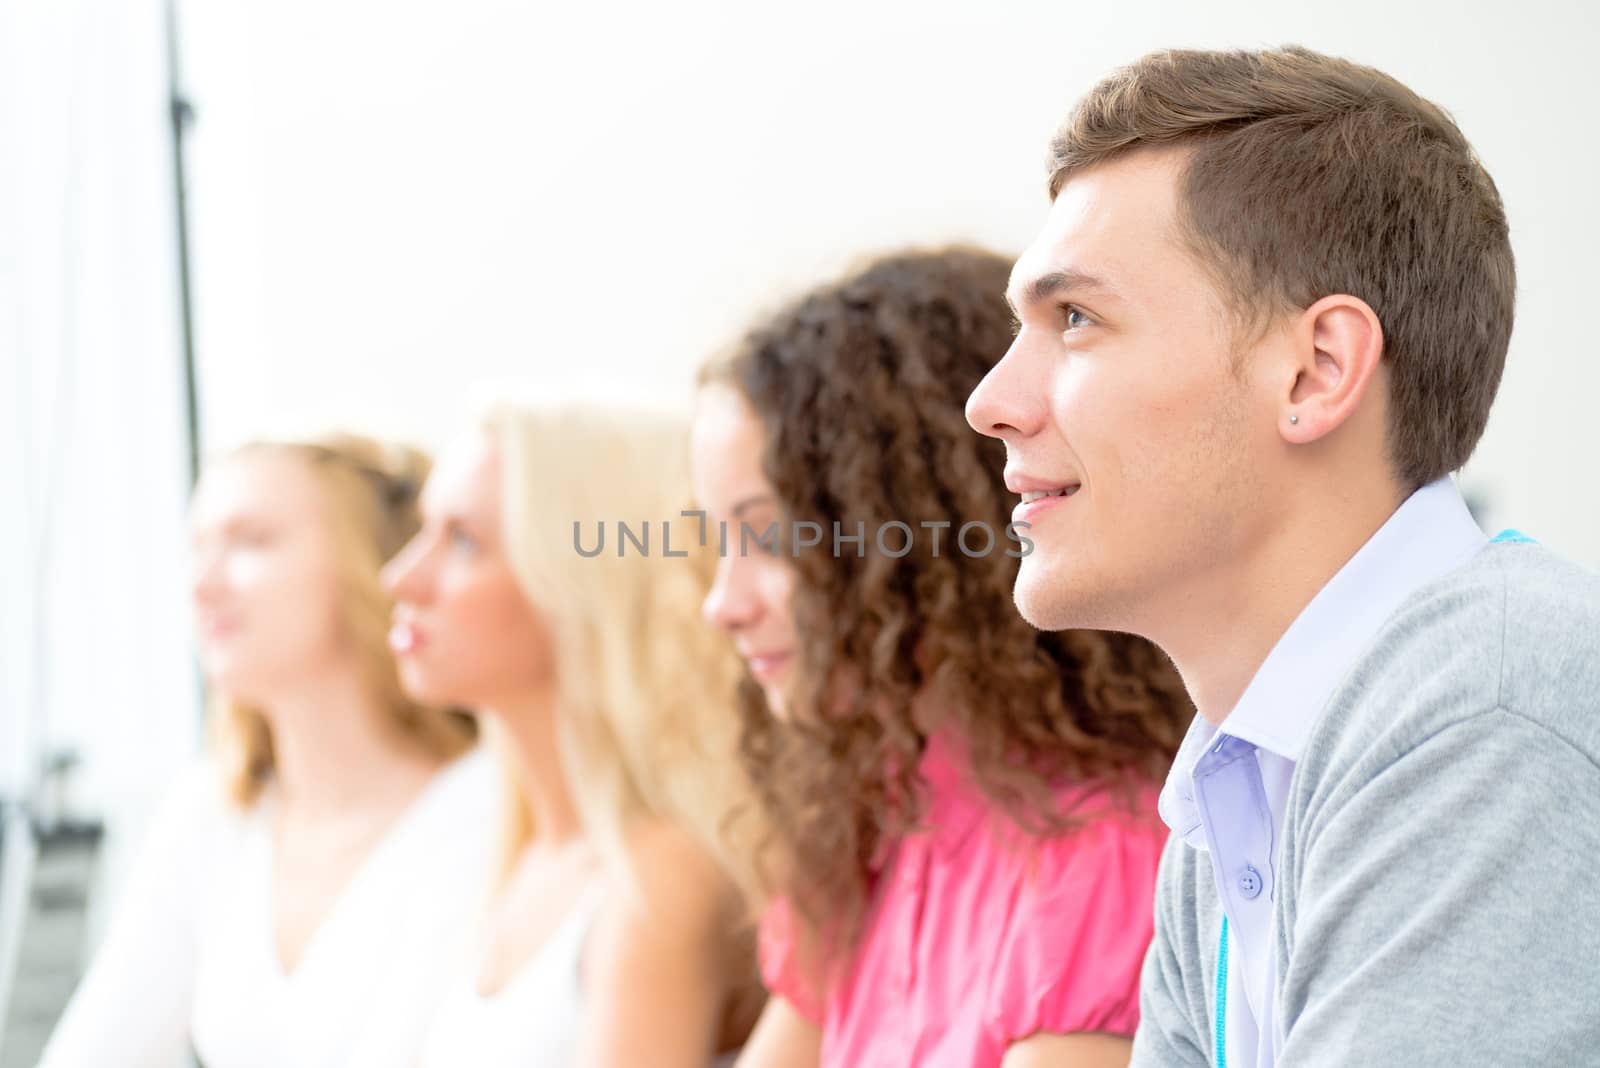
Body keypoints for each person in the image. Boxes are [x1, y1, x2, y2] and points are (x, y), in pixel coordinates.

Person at [966, 44, 1600, 1068]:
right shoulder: (1233, 792)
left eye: (1075, 318)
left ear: (1313, 371)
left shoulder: (1484, 707)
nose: (988, 403)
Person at [691, 248, 1195, 1068]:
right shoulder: (875, 825)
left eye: (772, 538)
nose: (725, 603)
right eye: (720, 545)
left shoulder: (1101, 855)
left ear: (923, 540)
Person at [39, 436, 492, 1068]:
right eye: (197, 548)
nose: (203, 585)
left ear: (375, 563)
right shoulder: (212, 815)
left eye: (250, 541)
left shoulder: (488, 810)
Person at [383, 401, 764, 1068]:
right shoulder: (516, 855)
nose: (401, 577)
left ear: (584, 584)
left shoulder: (658, 882)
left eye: (464, 540)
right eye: (425, 530)